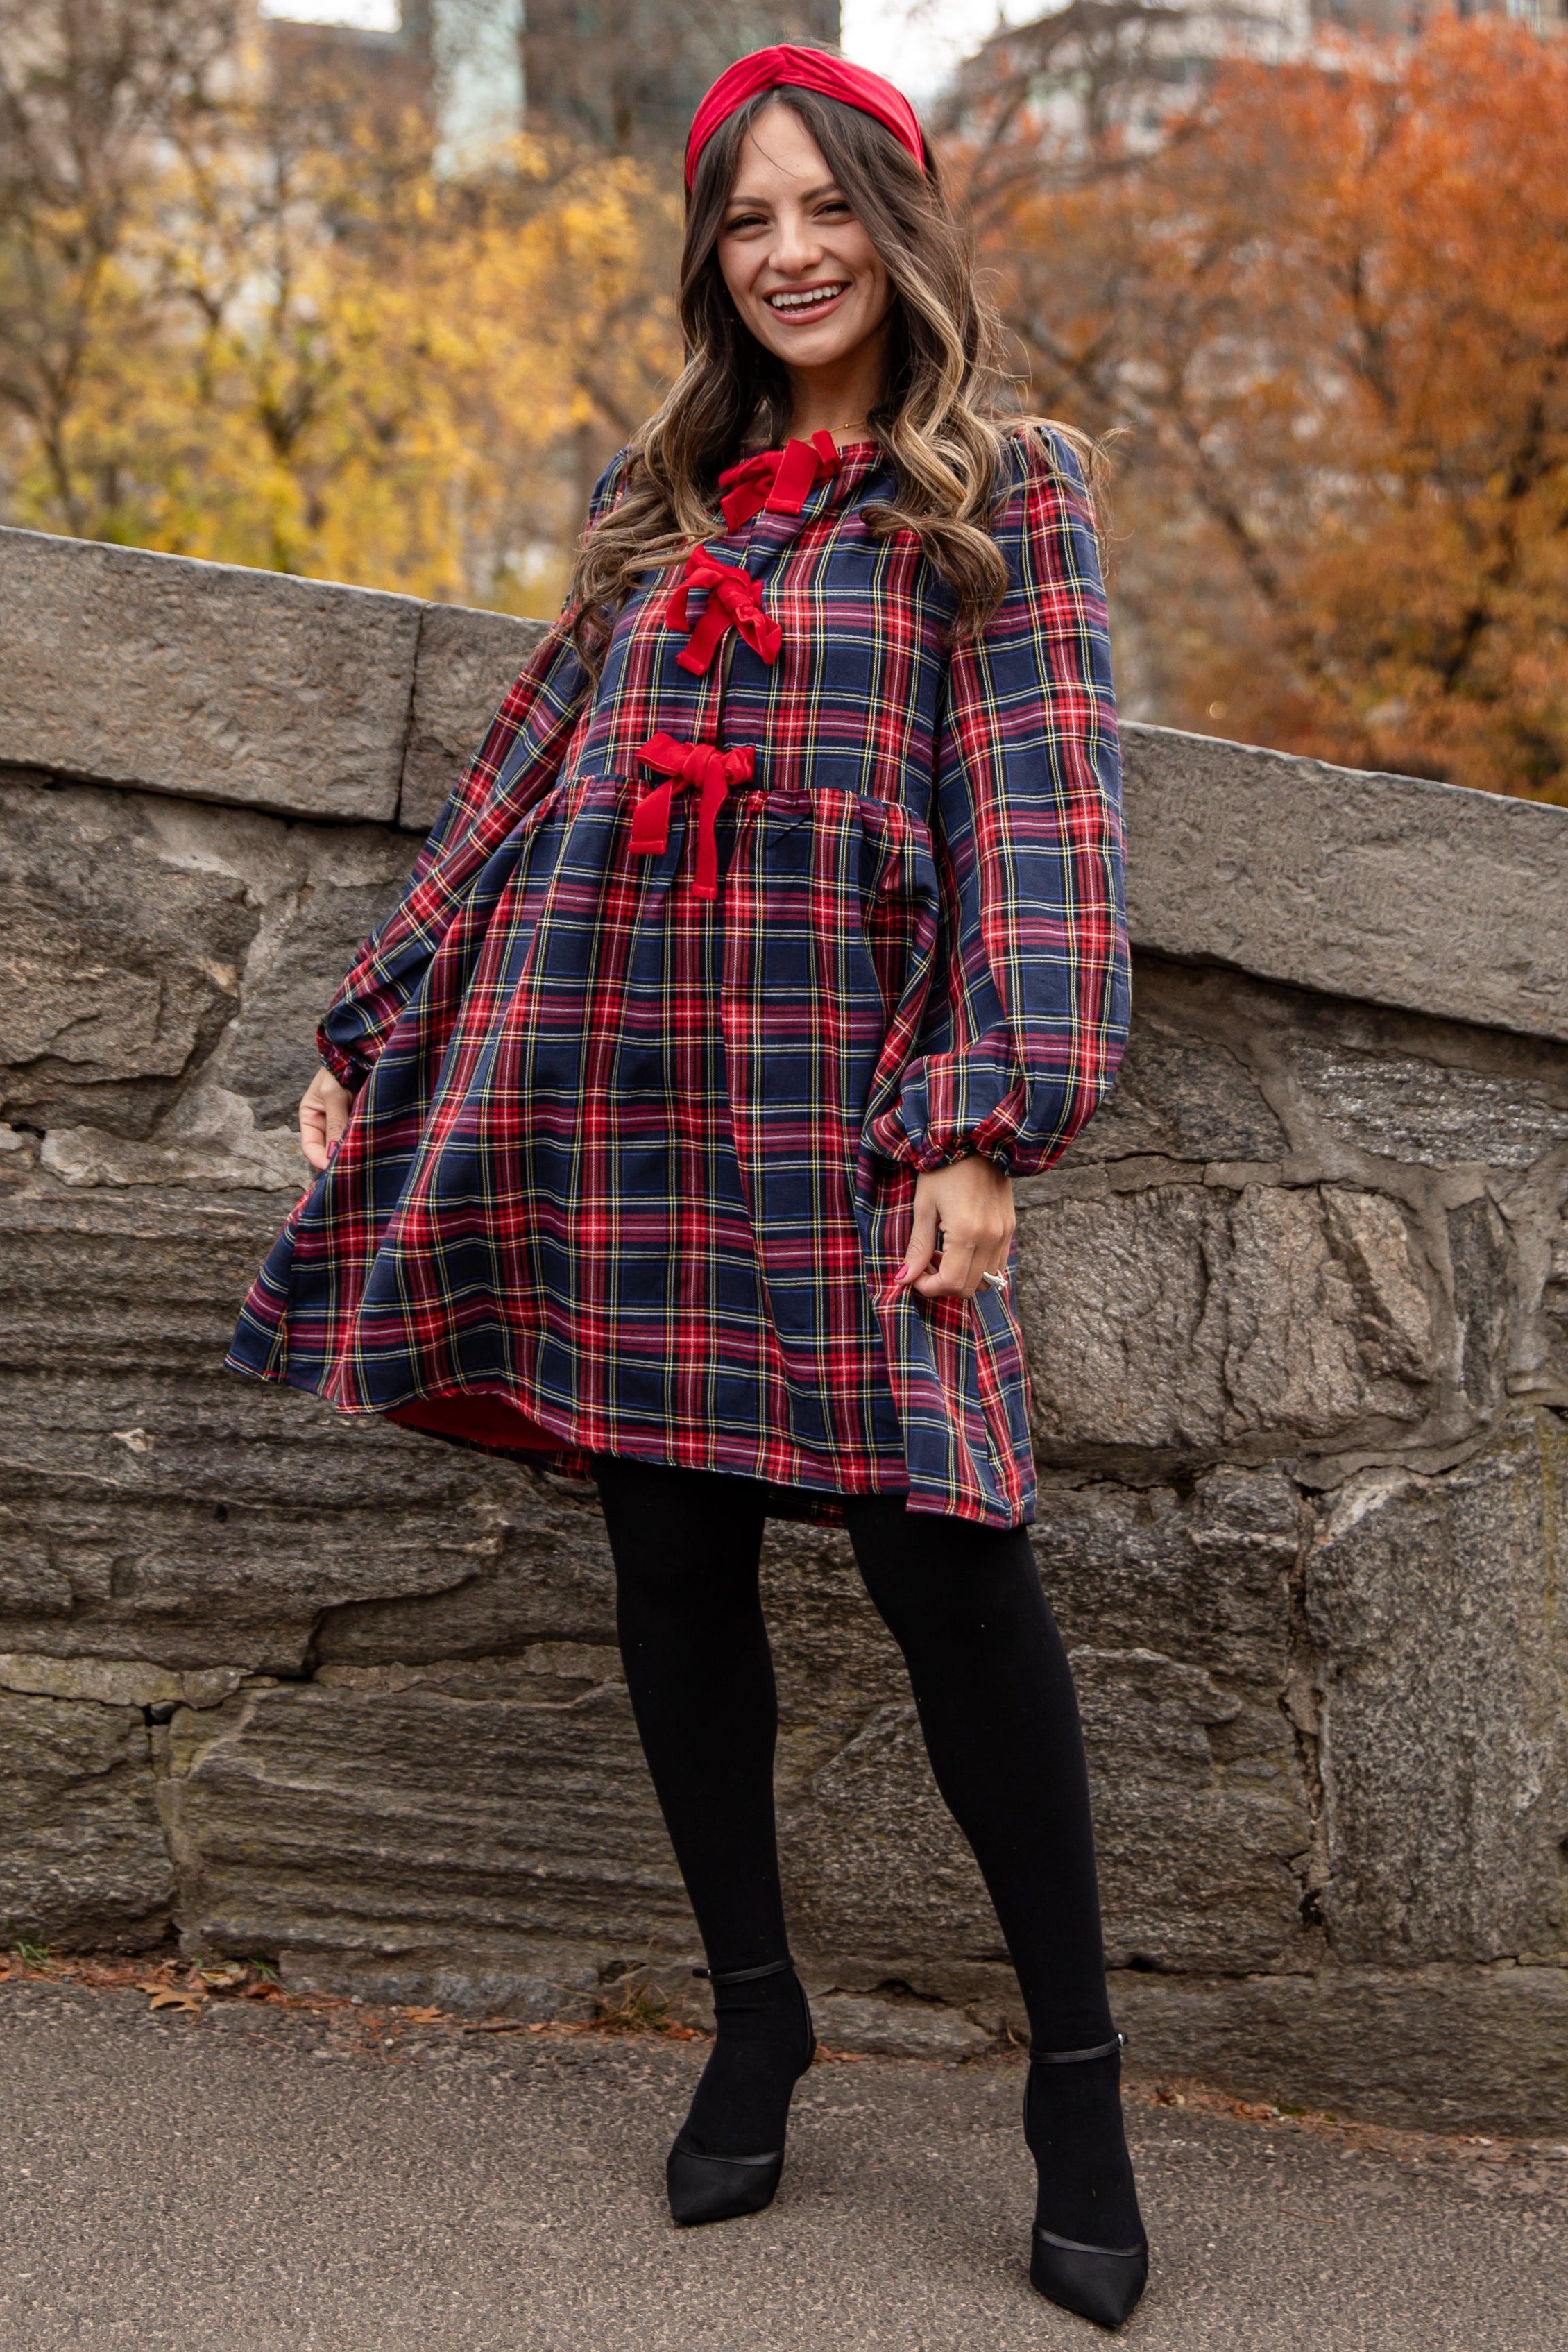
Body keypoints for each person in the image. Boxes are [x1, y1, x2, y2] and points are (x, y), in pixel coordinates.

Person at [228, 43, 1142, 2331]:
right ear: (710, 259)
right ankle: (757, 2014)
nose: (790, 250)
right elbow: (519, 783)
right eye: (746, 217)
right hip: (620, 1103)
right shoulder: (666, 507)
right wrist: (372, 1020)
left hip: (843, 1118)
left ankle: (1080, 2089)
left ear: (899, 226)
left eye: (826, 204)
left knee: (958, 1582)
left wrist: (978, 1120)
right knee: (672, 1577)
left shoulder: (997, 496)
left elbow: (1041, 818)